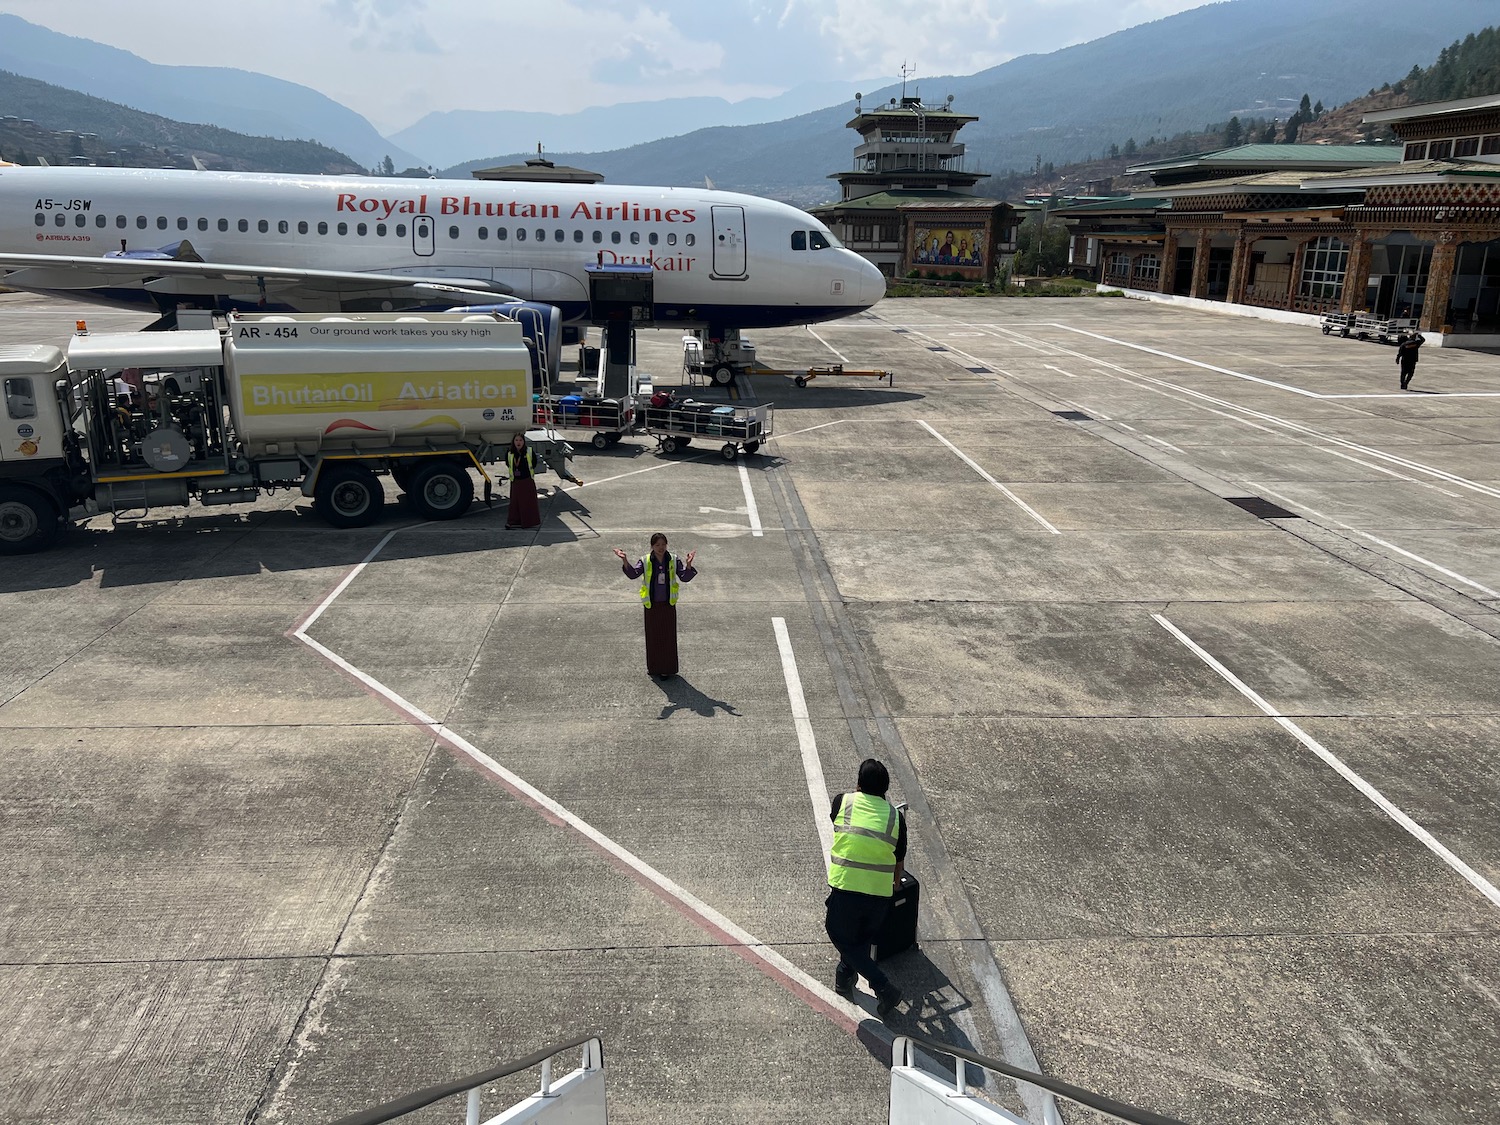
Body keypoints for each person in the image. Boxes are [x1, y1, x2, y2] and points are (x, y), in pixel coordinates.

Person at [825, 758, 907, 1018]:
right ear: (886, 789)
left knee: (838, 934)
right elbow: (899, 860)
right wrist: (893, 888)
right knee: (858, 941)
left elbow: (838, 826)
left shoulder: (842, 802)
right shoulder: (895, 817)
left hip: (847, 888)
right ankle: (843, 977)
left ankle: (883, 987)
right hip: (879, 897)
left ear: (858, 784)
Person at [614, 533, 697, 679]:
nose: (661, 548)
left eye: (663, 544)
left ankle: (667, 669)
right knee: (653, 637)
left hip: (667, 605)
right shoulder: (645, 560)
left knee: (668, 637)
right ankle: (654, 668)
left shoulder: (673, 559)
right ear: (652, 546)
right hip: (651, 605)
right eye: (657, 545)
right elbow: (633, 574)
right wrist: (625, 560)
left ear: (667, 545)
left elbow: (684, 577)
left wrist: (688, 564)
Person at [505, 432, 542, 528]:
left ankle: (529, 522)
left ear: (524, 442)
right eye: (516, 440)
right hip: (516, 481)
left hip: (527, 480)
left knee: (528, 502)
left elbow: (533, 463)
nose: (518, 442)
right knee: (515, 503)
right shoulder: (509, 453)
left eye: (520, 440)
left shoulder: (529, 451)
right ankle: (514, 521)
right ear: (513, 442)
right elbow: (508, 464)